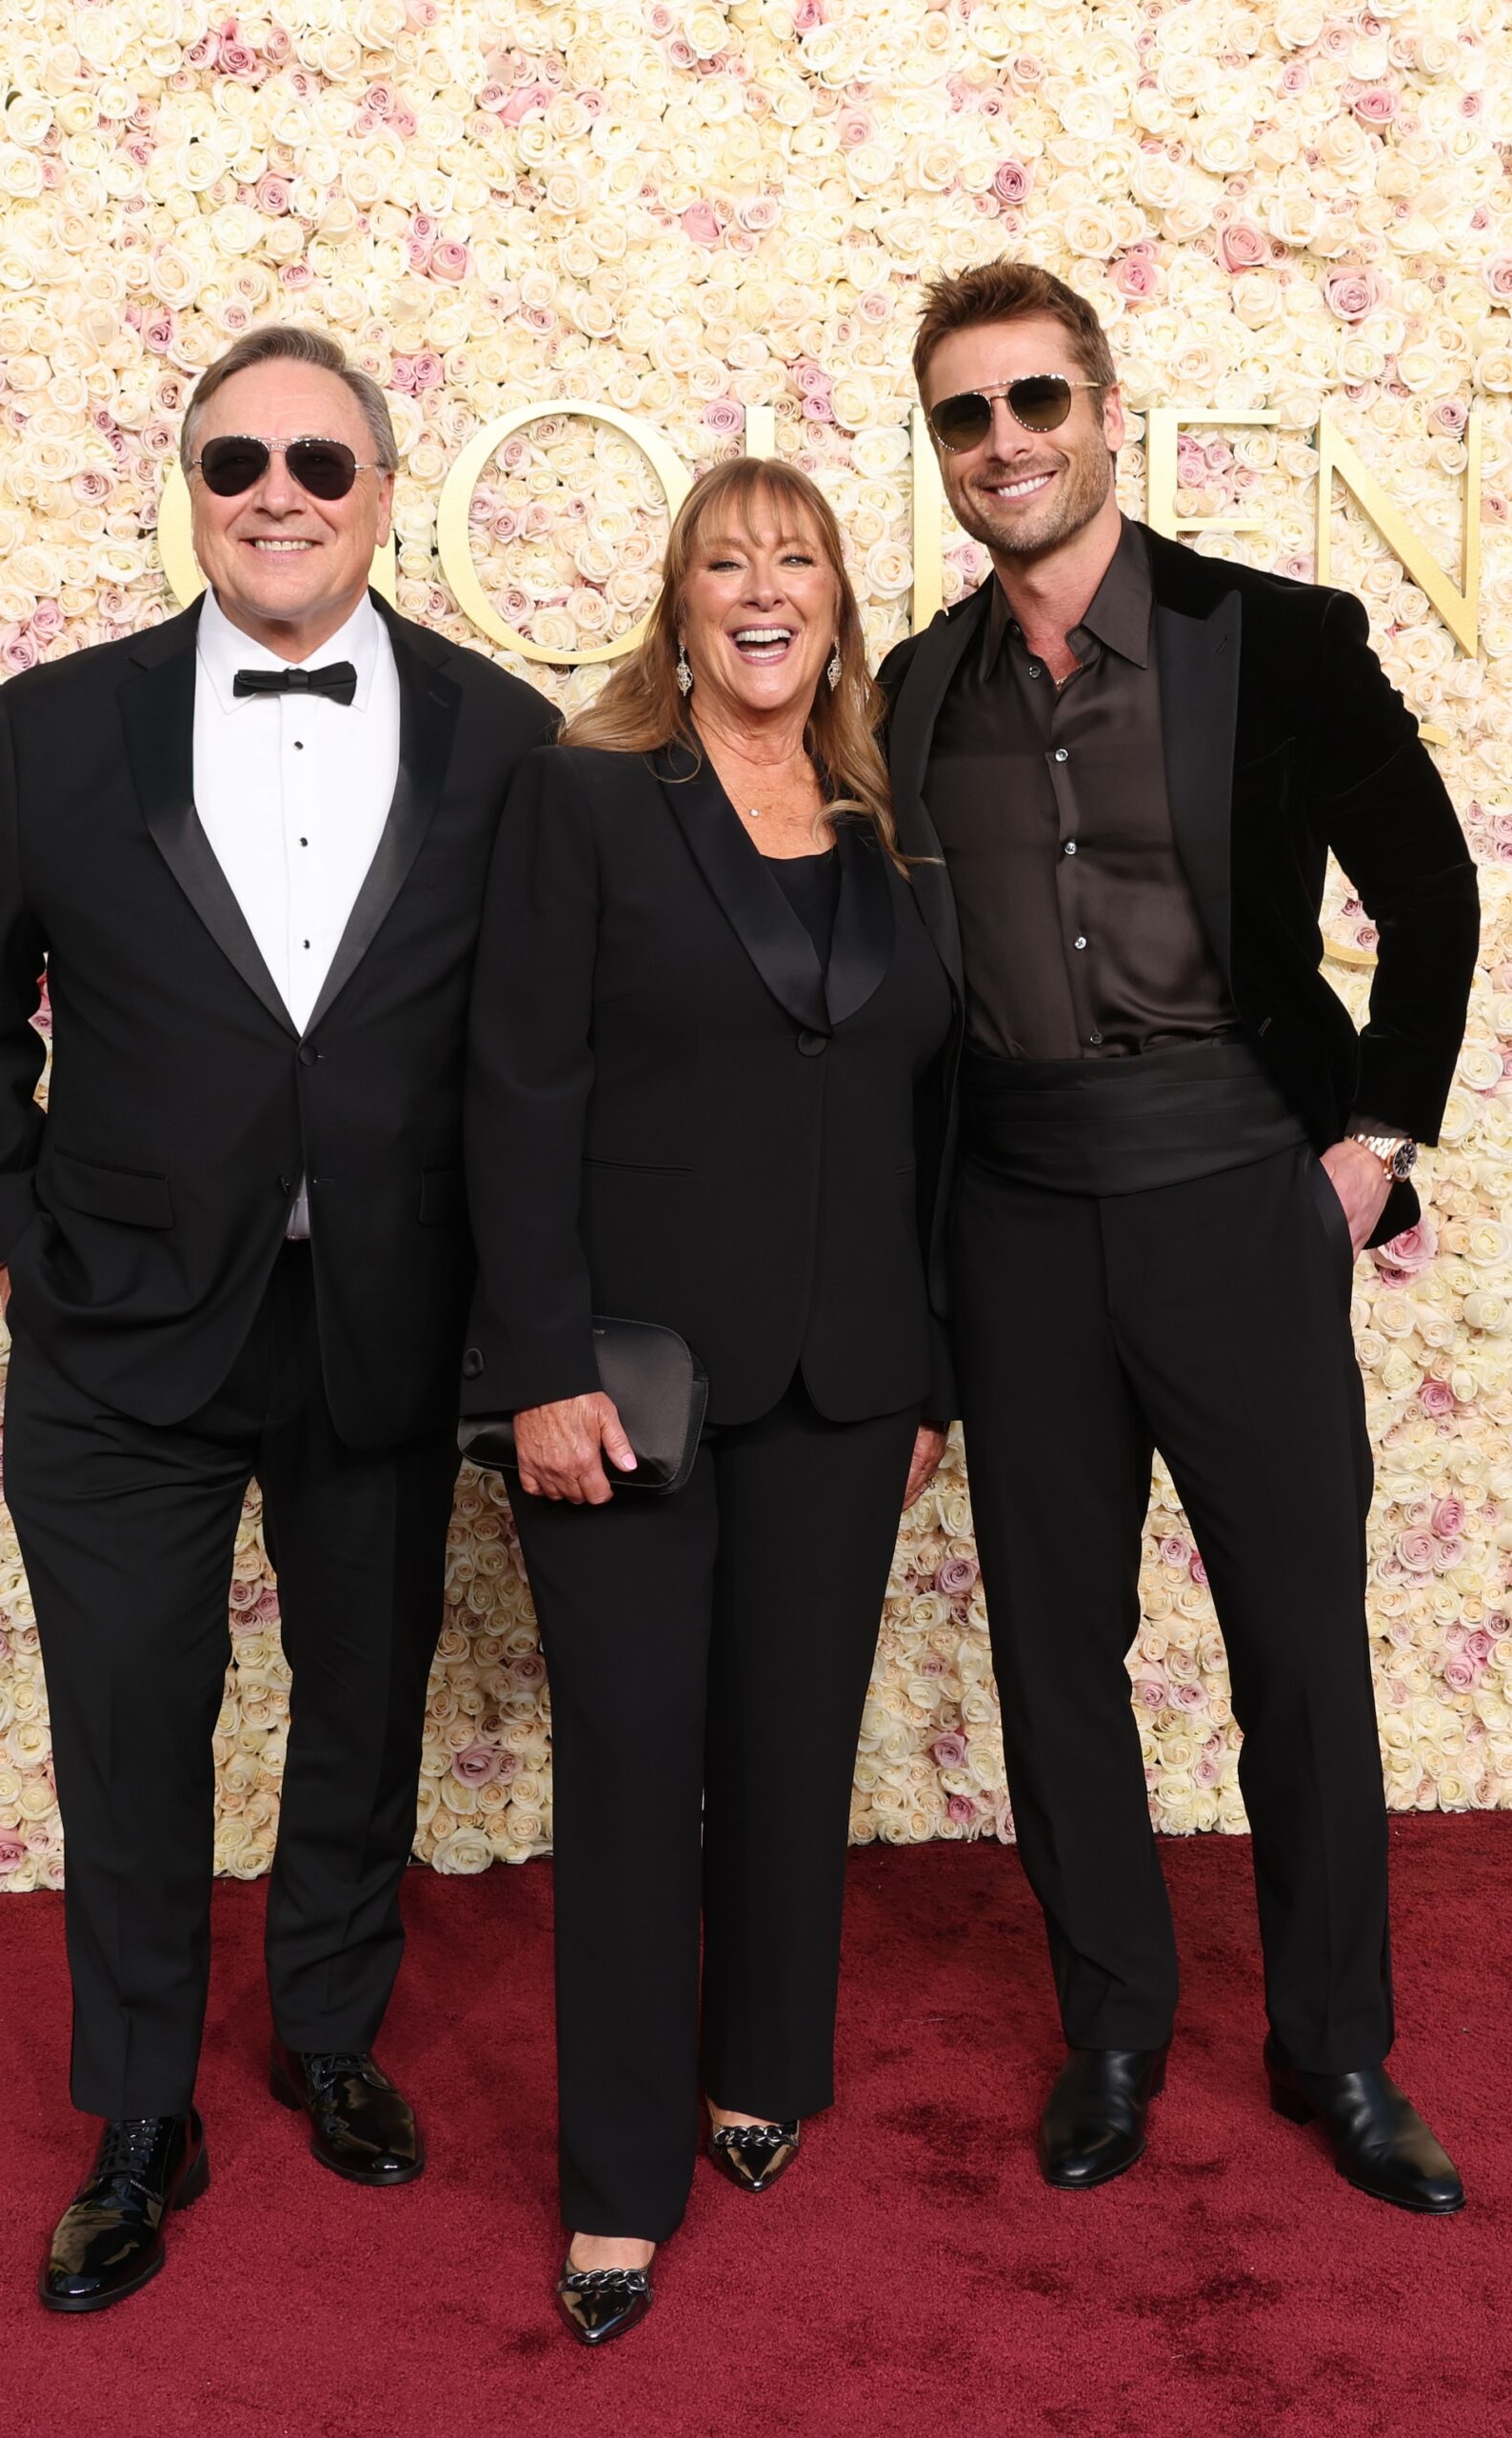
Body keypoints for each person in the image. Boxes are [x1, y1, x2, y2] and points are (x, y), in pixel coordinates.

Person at [0, 324, 557, 2311]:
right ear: (188, 488)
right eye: (234, 461)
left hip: (380, 1315)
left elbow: (537, 1053)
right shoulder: (54, 725)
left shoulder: (503, 734)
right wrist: (19, 1238)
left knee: (360, 1708)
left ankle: (332, 2032)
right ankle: (136, 2111)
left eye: (319, 462)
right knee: (128, 1720)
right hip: (114, 1329)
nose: (276, 492)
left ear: (379, 488)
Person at [880, 259, 1478, 2211]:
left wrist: (1372, 1142)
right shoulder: (907, 690)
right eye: (964, 415)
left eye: (1033, 400)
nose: (1004, 443)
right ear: (937, 447)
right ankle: (1111, 2030)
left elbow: (1432, 886)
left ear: (1105, 407)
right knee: (1055, 1648)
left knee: (1295, 1639)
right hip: (1015, 1217)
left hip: (1237, 1188)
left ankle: (1334, 2046)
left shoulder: (1271, 634)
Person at [463, 457, 959, 2344]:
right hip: (628, 1383)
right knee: (629, 1760)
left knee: (786, 1740)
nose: (762, 589)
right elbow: (512, 1088)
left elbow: (929, 1113)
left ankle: (761, 2064)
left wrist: (928, 1367)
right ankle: (613, 2180)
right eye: (723, 562)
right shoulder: (585, 795)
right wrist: (538, 1366)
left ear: (838, 596)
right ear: (676, 603)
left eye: (796, 558)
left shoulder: (883, 812)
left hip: (849, 1380)